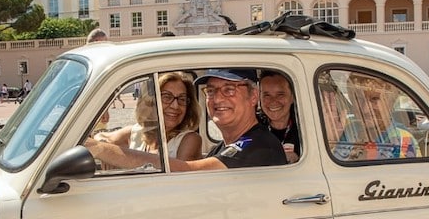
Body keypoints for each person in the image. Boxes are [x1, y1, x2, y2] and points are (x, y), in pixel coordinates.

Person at [86, 68, 285, 171]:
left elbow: (186, 171)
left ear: (253, 97)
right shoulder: (224, 147)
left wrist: (97, 148)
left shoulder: (257, 146)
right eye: (211, 90)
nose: (217, 98)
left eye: (229, 89)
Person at [93, 72, 202, 162]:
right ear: (150, 102)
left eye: (182, 99)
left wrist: (110, 154)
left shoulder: (189, 139)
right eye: (166, 97)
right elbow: (100, 136)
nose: (175, 106)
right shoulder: (138, 132)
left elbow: (179, 176)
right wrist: (104, 146)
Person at [258, 71, 300, 163]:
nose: (273, 101)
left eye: (280, 94)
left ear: (292, 97)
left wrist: (298, 159)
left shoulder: (305, 128)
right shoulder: (252, 126)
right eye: (267, 95)